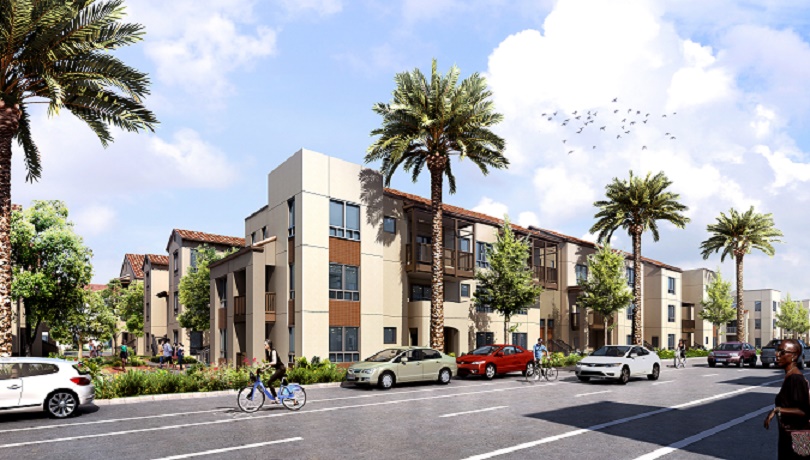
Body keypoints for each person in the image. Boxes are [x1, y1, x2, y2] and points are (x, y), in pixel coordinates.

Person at [764, 339, 810, 459]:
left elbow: (803, 411)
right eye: (777, 351)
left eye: (782, 352)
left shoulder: (795, 378)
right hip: (791, 435)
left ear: (794, 356)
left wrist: (777, 410)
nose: (777, 355)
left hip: (798, 437)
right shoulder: (791, 376)